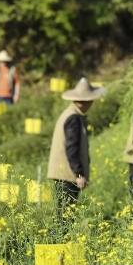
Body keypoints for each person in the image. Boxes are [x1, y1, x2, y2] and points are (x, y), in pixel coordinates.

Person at [47, 78, 105, 223]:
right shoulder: (73, 118)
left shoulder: (71, 113)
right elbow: (71, 149)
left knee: (64, 215)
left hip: (64, 173)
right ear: (84, 101)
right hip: (67, 174)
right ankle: (59, 245)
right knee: (65, 217)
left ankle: (61, 243)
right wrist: (79, 174)